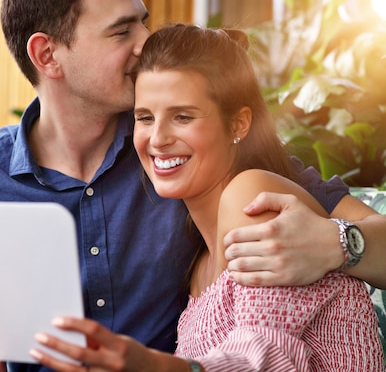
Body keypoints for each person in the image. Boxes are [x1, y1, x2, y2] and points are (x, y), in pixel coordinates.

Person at [0, 0, 386, 371]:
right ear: (48, 55)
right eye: (121, 30)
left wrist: (340, 244)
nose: (146, 42)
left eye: (142, 23)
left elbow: (267, 348)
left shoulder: (192, 158)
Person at [29, 23, 384, 371]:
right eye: (145, 117)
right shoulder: (196, 257)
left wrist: (155, 366)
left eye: (183, 117)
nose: (158, 138)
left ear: (238, 125)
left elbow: (269, 358)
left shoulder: (252, 196)